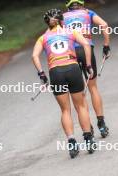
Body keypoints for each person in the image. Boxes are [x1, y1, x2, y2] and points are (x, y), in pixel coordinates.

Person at [32, 9, 96, 158]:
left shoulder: (43, 38)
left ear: (47, 23)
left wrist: (42, 74)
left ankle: (72, 141)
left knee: (65, 110)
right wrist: (88, 65)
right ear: (62, 20)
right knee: (80, 106)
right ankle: (88, 138)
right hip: (72, 69)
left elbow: (34, 56)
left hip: (56, 73)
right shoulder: (70, 32)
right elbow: (86, 45)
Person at [63, 0, 110, 138]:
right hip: (86, 51)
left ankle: (87, 126)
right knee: (93, 87)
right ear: (81, 3)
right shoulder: (88, 13)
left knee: (78, 92)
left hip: (71, 54)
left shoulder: (62, 17)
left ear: (68, 5)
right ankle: (101, 124)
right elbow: (104, 25)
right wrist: (106, 45)